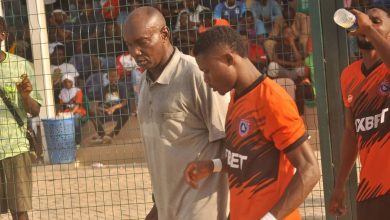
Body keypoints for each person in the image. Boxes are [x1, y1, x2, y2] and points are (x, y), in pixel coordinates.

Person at [184, 26, 320, 220]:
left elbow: (310, 170)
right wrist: (212, 165)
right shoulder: (236, 98)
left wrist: (270, 218)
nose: (205, 79)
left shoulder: (272, 100)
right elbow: (247, 160)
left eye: (207, 71)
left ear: (229, 59)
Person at [122, 6, 229, 220]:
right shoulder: (143, 83)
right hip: (167, 212)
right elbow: (164, 152)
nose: (135, 52)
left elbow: (232, 143)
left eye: (142, 42)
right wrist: (157, 207)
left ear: (164, 35)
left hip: (203, 211)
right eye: (129, 45)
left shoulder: (197, 76)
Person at [329, 7, 390, 220]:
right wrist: (339, 185)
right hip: (370, 188)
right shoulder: (349, 75)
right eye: (366, 21)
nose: (368, 25)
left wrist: (368, 29)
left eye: (376, 22)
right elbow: (351, 132)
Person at [0, 16, 42, 220]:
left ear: (2, 36)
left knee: (20, 211)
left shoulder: (21, 66)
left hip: (15, 148)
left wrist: (25, 97)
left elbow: (35, 111)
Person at [89, 69, 129, 144]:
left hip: (118, 107)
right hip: (106, 108)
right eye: (111, 76)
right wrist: (105, 110)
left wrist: (113, 108)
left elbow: (124, 102)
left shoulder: (122, 86)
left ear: (118, 77)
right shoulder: (105, 88)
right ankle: (102, 135)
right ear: (108, 77)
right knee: (92, 113)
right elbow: (99, 104)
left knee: (126, 113)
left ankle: (113, 133)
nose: (113, 78)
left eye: (115, 76)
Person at [57, 74, 86, 144]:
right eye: (65, 82)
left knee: (75, 119)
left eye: (69, 82)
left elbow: (77, 106)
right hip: (66, 112)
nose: (67, 84)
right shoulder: (62, 93)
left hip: (77, 111)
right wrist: (59, 113)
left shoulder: (77, 91)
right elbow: (61, 107)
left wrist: (71, 113)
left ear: (73, 82)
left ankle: (78, 142)